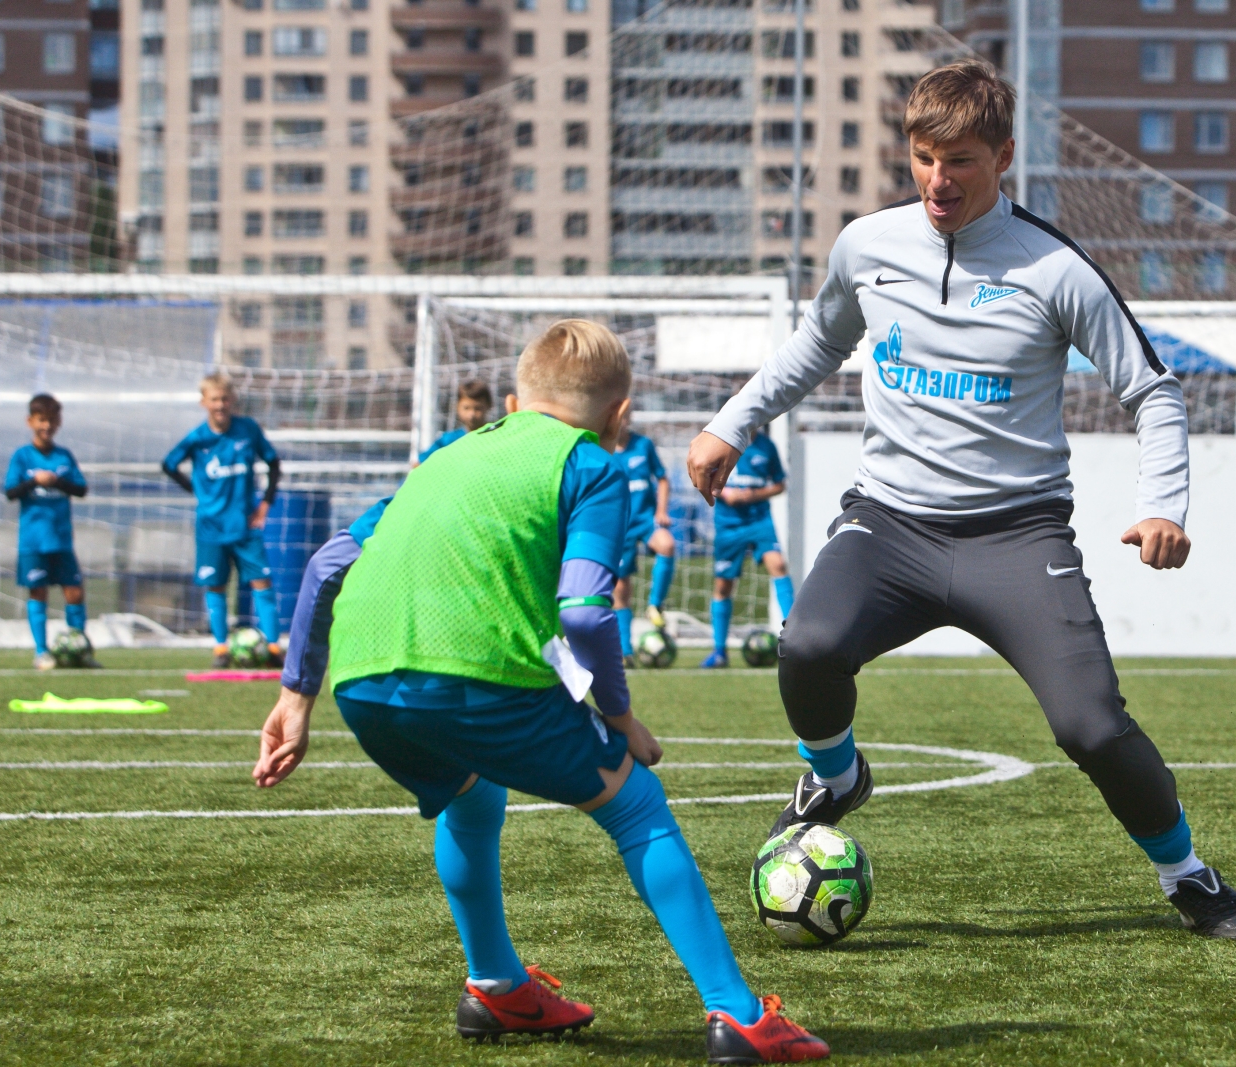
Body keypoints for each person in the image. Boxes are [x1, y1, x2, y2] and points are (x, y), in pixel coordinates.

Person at [686, 60, 1236, 939]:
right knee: (805, 643)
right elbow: (814, 346)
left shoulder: (1058, 269)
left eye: (959, 161)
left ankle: (1187, 873)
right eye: (922, 157)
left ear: (1002, 158)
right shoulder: (867, 247)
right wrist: (731, 421)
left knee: (1092, 728)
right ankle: (835, 777)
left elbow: (1154, 391)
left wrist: (1165, 506)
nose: (937, 181)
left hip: (1016, 535)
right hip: (888, 526)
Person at [252, 320, 828, 1062]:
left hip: (360, 683)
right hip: (477, 677)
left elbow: (330, 562)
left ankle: (495, 985)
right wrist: (620, 717)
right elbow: (585, 609)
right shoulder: (593, 466)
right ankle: (738, 1014)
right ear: (619, 416)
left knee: (470, 792)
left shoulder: (447, 454)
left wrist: (296, 700)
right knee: (637, 805)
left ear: (517, 399)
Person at [162, 373, 284, 668]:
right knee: (215, 587)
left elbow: (273, 463)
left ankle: (273, 648)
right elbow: (168, 464)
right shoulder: (198, 438)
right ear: (204, 402)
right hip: (211, 527)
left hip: (245, 526)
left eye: (225, 399)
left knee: (262, 582)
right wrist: (196, 490)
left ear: (233, 401)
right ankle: (220, 648)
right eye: (214, 399)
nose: (220, 405)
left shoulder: (248, 430)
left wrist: (265, 504)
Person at [4, 394, 91, 670]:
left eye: (52, 420)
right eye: (42, 420)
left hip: (62, 539)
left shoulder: (64, 456)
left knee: (74, 592)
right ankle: (42, 652)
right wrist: (34, 481)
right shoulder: (22, 456)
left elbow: (81, 489)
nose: (47, 425)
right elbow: (10, 492)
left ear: (58, 422)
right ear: (30, 421)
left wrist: (57, 481)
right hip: (33, 541)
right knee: (38, 592)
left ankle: (77, 649)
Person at [702, 426, 793, 669]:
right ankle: (719, 651)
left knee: (779, 565)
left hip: (759, 521)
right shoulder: (721, 443)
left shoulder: (766, 446)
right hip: (729, 526)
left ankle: (795, 641)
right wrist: (723, 493)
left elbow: (780, 484)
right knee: (723, 585)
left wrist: (753, 495)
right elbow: (703, 476)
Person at [612, 418, 676, 665]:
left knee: (667, 545)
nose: (622, 422)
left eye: (626, 417)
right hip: (620, 524)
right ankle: (625, 650)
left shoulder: (643, 445)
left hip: (646, 520)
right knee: (620, 588)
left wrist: (661, 510)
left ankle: (654, 605)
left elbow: (662, 478)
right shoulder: (601, 449)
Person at [417, 379, 493, 464]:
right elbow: (420, 463)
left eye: (478, 408)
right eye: (466, 408)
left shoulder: (495, 435)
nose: (472, 414)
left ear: (489, 406)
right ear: (457, 407)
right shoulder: (448, 440)